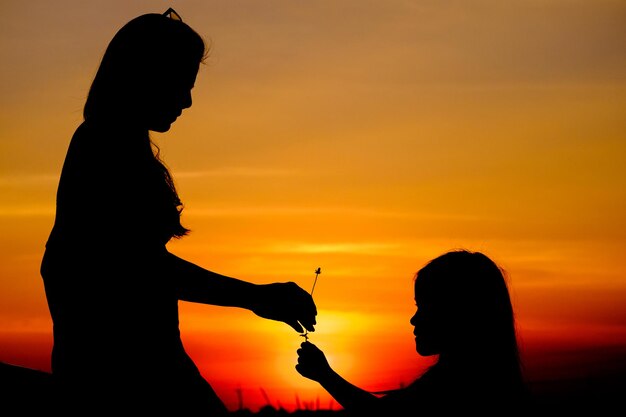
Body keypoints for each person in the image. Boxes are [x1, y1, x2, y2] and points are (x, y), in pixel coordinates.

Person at [40, 8, 316, 415]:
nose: (187, 101)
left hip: (137, 368)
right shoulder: (104, 149)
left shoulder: (110, 145)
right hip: (129, 378)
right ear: (144, 76)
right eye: (180, 85)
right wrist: (255, 296)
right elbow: (134, 265)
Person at [295, 250, 531, 416]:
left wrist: (325, 375)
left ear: (458, 312)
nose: (414, 319)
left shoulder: (457, 386)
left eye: (426, 307)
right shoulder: (489, 381)